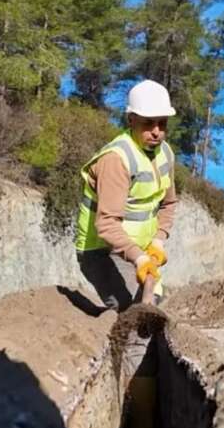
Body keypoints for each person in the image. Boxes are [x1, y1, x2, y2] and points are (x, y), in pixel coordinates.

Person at [75, 79, 179, 311]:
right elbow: (107, 224)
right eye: (148, 123)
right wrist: (139, 259)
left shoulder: (166, 154)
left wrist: (158, 241)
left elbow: (168, 203)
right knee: (128, 308)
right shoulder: (116, 159)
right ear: (131, 119)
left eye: (162, 124)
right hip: (101, 250)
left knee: (154, 302)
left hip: (140, 250)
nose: (156, 132)